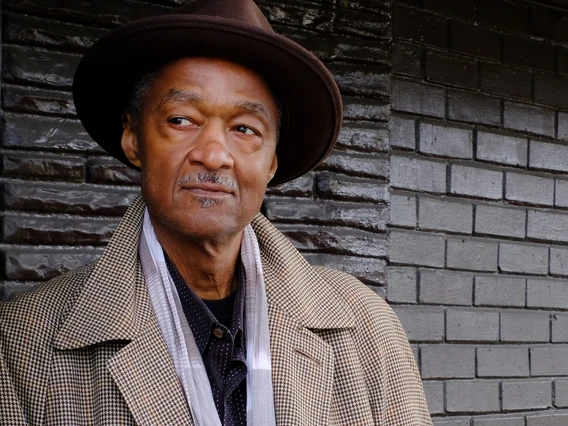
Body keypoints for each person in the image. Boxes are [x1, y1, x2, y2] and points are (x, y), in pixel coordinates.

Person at [0, 0, 432, 424]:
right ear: (133, 139)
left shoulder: (365, 324)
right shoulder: (21, 342)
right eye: (182, 120)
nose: (213, 155)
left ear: (271, 165)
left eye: (245, 129)